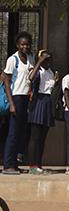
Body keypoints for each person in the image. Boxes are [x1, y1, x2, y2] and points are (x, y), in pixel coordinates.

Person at [3, 31, 37, 173]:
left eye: (27, 44)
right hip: (15, 97)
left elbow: (31, 77)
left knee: (21, 133)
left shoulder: (30, 59)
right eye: (22, 44)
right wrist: (11, 103)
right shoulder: (13, 59)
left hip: (25, 97)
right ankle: (8, 164)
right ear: (17, 45)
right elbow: (6, 80)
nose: (25, 47)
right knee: (13, 132)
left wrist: (38, 62)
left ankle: (15, 163)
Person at [24, 48, 56, 174]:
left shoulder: (50, 72)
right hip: (38, 102)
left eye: (49, 59)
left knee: (42, 137)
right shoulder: (38, 71)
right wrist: (39, 62)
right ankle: (32, 165)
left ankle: (39, 163)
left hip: (47, 102)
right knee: (35, 136)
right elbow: (31, 78)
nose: (47, 62)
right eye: (45, 59)